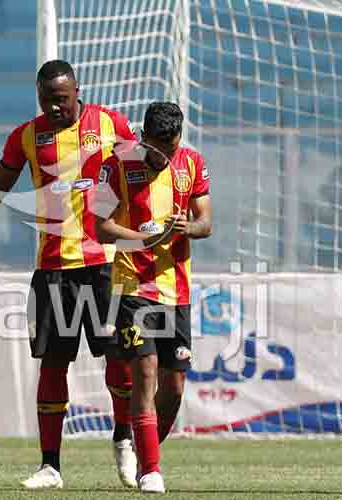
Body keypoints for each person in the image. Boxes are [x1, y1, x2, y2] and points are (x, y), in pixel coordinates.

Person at [0, 59, 138, 489]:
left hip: (104, 265)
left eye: (61, 100)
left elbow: (140, 174)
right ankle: (50, 466)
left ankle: (124, 437)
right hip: (53, 270)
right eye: (46, 101)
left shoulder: (112, 124)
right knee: (53, 365)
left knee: (118, 358)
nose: (54, 108)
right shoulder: (26, 135)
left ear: (78, 92)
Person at [95, 101, 212, 493]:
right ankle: (152, 471)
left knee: (174, 387)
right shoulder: (115, 166)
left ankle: (143, 450)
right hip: (134, 288)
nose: (164, 153)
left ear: (178, 138)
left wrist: (189, 227)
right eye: (157, 145)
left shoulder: (192, 163)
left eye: (171, 144)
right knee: (144, 374)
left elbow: (206, 222)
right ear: (143, 137)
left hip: (176, 290)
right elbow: (101, 227)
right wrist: (145, 239)